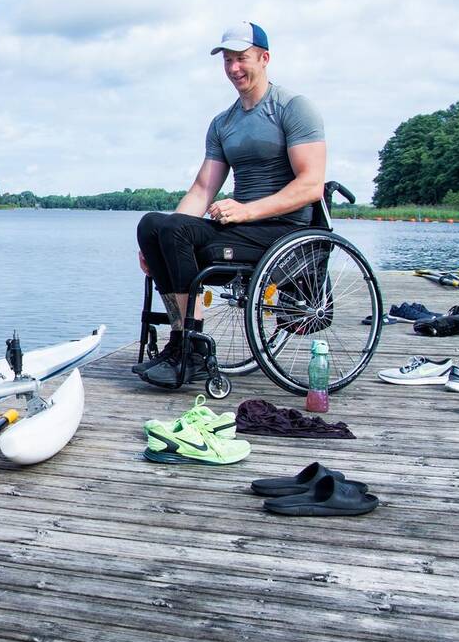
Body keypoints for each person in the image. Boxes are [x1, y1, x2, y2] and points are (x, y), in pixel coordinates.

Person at [134, 21, 326, 387]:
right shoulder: (224, 123)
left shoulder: (293, 109)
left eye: (242, 58)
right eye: (227, 61)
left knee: (172, 230)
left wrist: (247, 209)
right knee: (153, 225)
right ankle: (184, 343)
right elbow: (203, 188)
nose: (234, 68)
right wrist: (154, 242)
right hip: (241, 228)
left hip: (283, 231)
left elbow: (311, 186)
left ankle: (190, 347)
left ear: (264, 58)